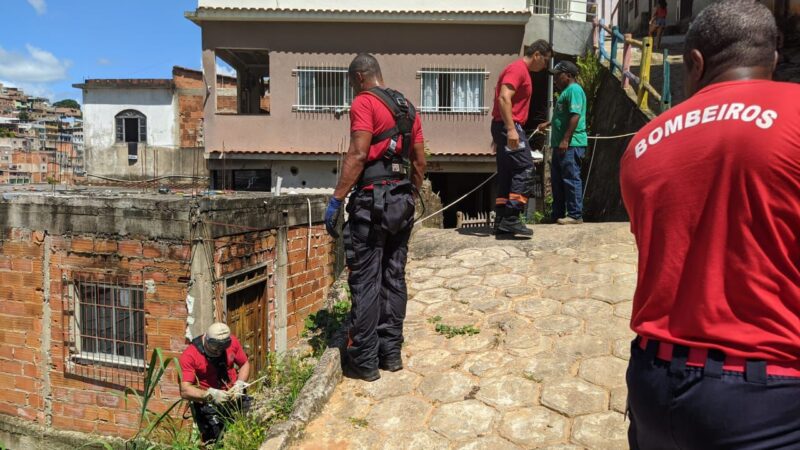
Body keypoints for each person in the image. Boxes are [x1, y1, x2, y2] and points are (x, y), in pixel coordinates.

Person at [620, 1, 800, 447]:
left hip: (653, 383)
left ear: (695, 63)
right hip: (767, 395)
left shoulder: (642, 145)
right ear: (773, 57)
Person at [324, 53, 426, 382]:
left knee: (366, 281)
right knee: (394, 278)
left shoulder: (364, 103)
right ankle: (391, 354)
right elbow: (420, 160)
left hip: (372, 202)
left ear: (358, 78)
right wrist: (411, 192)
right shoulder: (408, 107)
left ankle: (366, 361)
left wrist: (337, 199)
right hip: (401, 200)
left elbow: (357, 153)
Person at [491, 39, 552, 237]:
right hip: (509, 125)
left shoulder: (519, 70)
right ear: (537, 55)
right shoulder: (518, 70)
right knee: (526, 169)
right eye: (545, 61)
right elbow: (503, 98)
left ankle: (501, 219)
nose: (545, 66)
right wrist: (510, 129)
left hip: (504, 126)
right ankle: (511, 218)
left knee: (508, 172)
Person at [179, 323, 251, 443]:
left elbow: (244, 364)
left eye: (221, 349)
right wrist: (210, 395)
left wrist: (240, 384)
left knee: (252, 422)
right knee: (217, 440)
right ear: (206, 339)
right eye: (215, 349)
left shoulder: (232, 342)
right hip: (209, 403)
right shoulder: (190, 355)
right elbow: (185, 390)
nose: (218, 352)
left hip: (234, 395)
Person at [537, 61, 587, 225]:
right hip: (559, 144)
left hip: (571, 144)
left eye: (559, 75)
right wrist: (549, 123)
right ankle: (557, 214)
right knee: (558, 181)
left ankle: (575, 214)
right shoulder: (566, 91)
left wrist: (566, 139)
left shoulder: (574, 90)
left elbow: (575, 115)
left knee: (571, 178)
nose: (556, 79)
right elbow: (563, 116)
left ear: (569, 76)